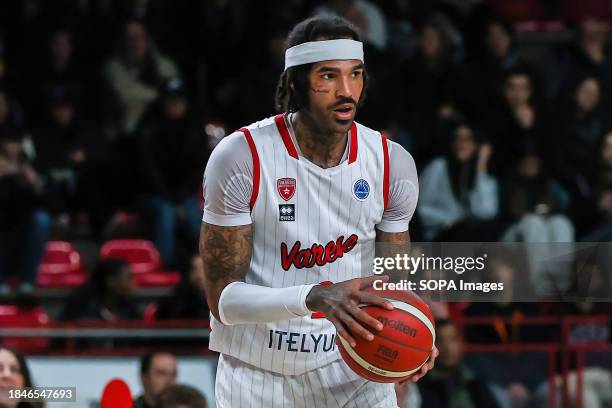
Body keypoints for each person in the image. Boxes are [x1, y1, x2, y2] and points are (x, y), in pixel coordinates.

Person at [200, 15, 436, 408]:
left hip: (353, 370)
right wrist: (315, 296)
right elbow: (223, 301)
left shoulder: (393, 164)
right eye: (328, 76)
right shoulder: (241, 157)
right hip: (257, 374)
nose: (347, 91)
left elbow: (393, 285)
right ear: (296, 84)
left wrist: (415, 333)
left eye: (356, 75)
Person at [136, 78, 207, 267]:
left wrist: (181, 194)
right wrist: (169, 196)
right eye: (171, 100)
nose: (175, 105)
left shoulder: (194, 130)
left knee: (195, 216)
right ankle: (165, 267)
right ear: (163, 102)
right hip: (154, 194)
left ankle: (201, 268)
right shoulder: (148, 129)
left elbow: (199, 169)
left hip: (184, 194)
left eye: (179, 100)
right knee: (166, 213)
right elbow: (147, 170)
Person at [418, 122, 499, 241]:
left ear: (476, 145)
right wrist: (449, 221)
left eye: (468, 139)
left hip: (470, 234)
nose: (462, 144)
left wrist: (481, 167)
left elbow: (486, 212)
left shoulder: (482, 174)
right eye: (458, 138)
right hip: (441, 233)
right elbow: (421, 208)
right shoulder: (438, 166)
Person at [103, 20, 179, 135]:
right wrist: (160, 95)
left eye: (140, 36)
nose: (136, 41)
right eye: (131, 37)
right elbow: (125, 93)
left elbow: (175, 93)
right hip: (123, 134)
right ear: (123, 41)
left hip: (161, 131)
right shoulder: (112, 67)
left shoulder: (163, 65)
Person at [0, 141, 52, 294]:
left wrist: (34, 183)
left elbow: (51, 206)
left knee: (41, 219)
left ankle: (27, 283)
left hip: (19, 233)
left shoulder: (22, 179)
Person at [417, 319, 500, 408]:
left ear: (461, 343)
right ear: (432, 346)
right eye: (440, 340)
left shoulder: (475, 379)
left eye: (453, 339)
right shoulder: (421, 383)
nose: (447, 348)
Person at [59, 258, 139, 322]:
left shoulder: (129, 308)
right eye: (129, 277)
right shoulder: (81, 307)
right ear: (111, 281)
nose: (134, 282)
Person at [156, 254, 209, 320]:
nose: (198, 274)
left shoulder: (218, 298)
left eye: (203, 269)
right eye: (194, 269)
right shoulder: (179, 296)